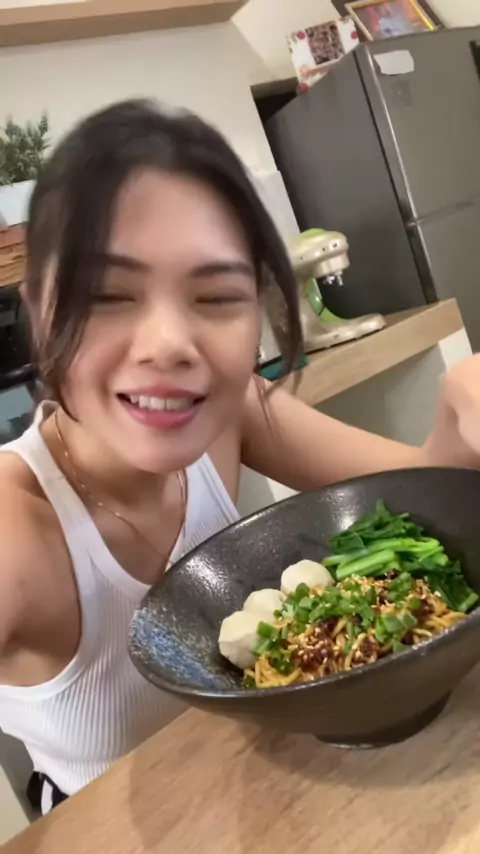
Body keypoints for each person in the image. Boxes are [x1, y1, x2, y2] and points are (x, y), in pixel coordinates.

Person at [0, 99, 480, 814]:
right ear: (41, 314)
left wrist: (458, 413)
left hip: (274, 794)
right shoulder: (14, 528)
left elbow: (418, 499)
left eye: (217, 295)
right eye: (109, 295)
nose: (169, 345)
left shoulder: (236, 411)